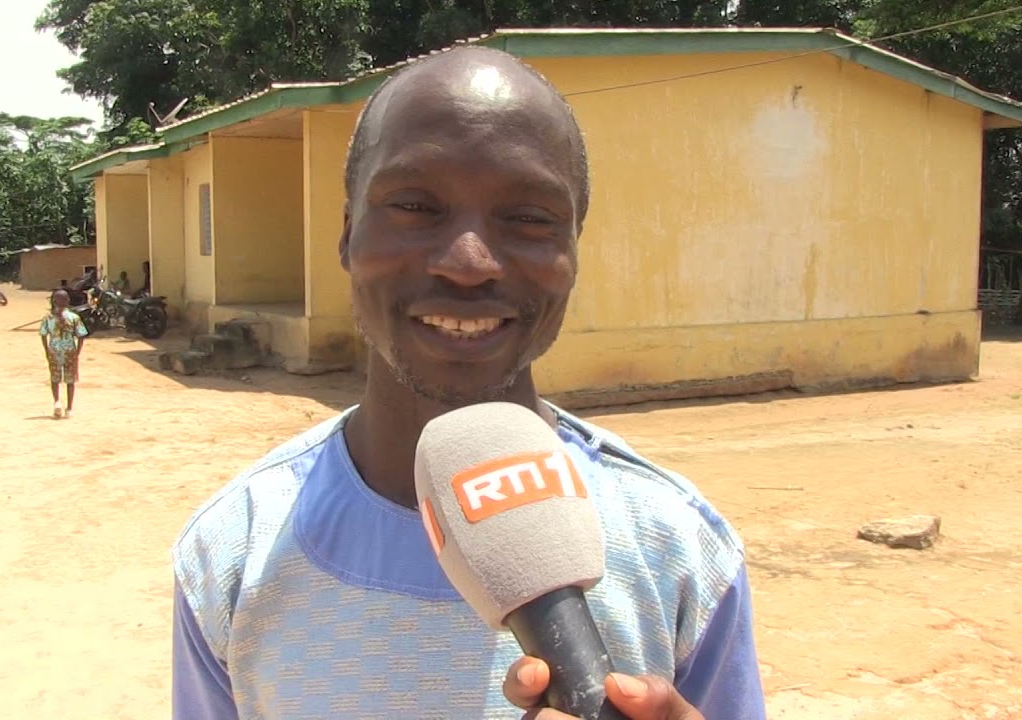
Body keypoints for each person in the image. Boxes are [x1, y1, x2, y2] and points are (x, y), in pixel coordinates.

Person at [170, 47, 765, 720]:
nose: (469, 262)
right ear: (347, 236)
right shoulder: (231, 555)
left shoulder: (679, 550)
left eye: (530, 217)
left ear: (572, 250)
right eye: (416, 204)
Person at [39, 289, 89, 419]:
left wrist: (47, 349)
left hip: (59, 351)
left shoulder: (53, 318)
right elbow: (82, 334)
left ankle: (62, 404)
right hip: (64, 351)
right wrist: (77, 351)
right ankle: (64, 406)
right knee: (64, 379)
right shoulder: (69, 317)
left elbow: (44, 335)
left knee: (61, 379)